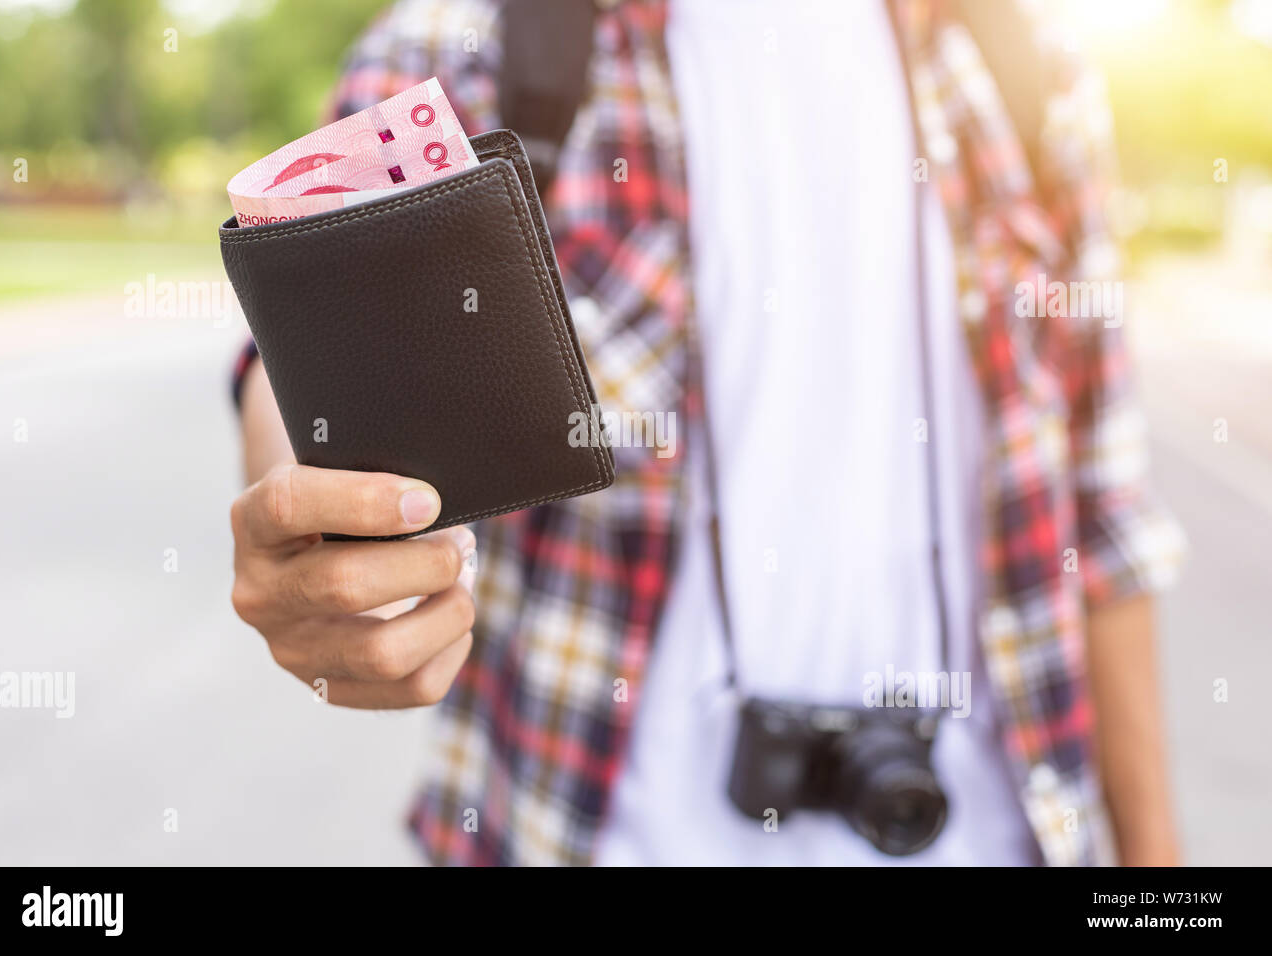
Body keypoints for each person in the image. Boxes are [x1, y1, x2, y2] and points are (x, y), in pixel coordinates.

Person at [228, 0, 1186, 866]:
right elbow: (300, 358)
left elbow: (1101, 522)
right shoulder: (459, 51)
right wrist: (318, 537)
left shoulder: (1027, 68)